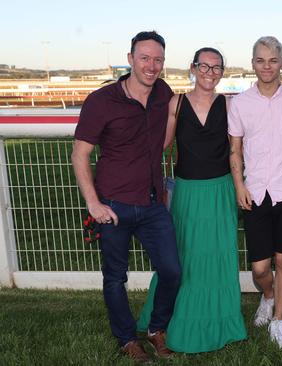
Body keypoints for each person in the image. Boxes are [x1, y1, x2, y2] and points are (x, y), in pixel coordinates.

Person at [71, 30, 180, 363]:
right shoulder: (102, 101)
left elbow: (163, 138)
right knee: (115, 277)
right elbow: (79, 154)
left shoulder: (163, 92)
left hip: (152, 203)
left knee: (172, 270)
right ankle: (125, 337)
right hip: (113, 206)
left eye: (158, 59)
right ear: (130, 59)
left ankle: (156, 329)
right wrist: (93, 202)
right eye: (144, 58)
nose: (151, 65)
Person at [136, 47, 247, 353]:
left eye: (217, 68)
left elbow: (239, 148)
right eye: (204, 67)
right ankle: (172, 317)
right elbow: (162, 143)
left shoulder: (230, 105)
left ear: (222, 73)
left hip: (220, 190)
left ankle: (220, 319)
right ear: (193, 68)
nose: (210, 73)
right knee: (183, 255)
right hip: (186, 192)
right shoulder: (177, 102)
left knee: (218, 254)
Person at [228, 36, 282, 349]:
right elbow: (235, 150)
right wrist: (239, 186)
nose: (267, 66)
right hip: (255, 193)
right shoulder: (241, 104)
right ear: (253, 64)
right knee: (260, 267)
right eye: (261, 60)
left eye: (273, 60)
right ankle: (269, 294)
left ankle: (279, 318)